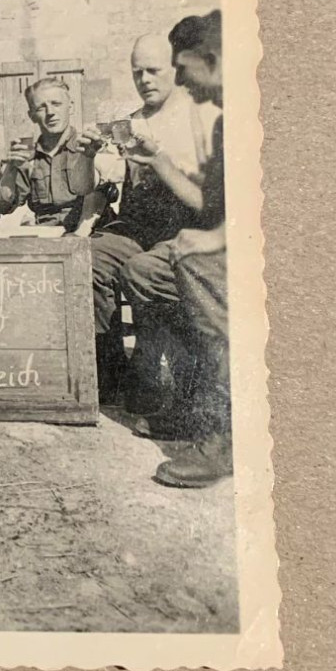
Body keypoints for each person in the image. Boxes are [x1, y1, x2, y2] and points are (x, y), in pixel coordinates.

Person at [122, 11, 232, 487]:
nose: (183, 85)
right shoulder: (225, 121)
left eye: (181, 71)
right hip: (226, 242)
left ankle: (220, 433)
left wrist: (217, 237)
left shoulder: (234, 115)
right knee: (148, 270)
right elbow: (220, 202)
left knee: (194, 268)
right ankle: (187, 404)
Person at [89, 32, 220, 407]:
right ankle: (108, 373)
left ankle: (155, 380)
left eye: (152, 71)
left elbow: (207, 203)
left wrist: (159, 159)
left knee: (143, 270)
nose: (144, 80)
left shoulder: (200, 118)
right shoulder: (130, 122)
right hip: (137, 229)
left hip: (184, 229)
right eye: (136, 73)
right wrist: (90, 154)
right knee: (89, 260)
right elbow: (103, 183)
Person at [0, 77, 108, 233]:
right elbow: (1, 207)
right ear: (31, 115)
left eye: (56, 104)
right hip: (47, 233)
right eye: (41, 108)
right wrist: (11, 169)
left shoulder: (88, 145)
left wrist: (77, 236)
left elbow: (95, 197)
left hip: (90, 231)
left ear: (70, 107)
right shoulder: (27, 156)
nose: (50, 112)